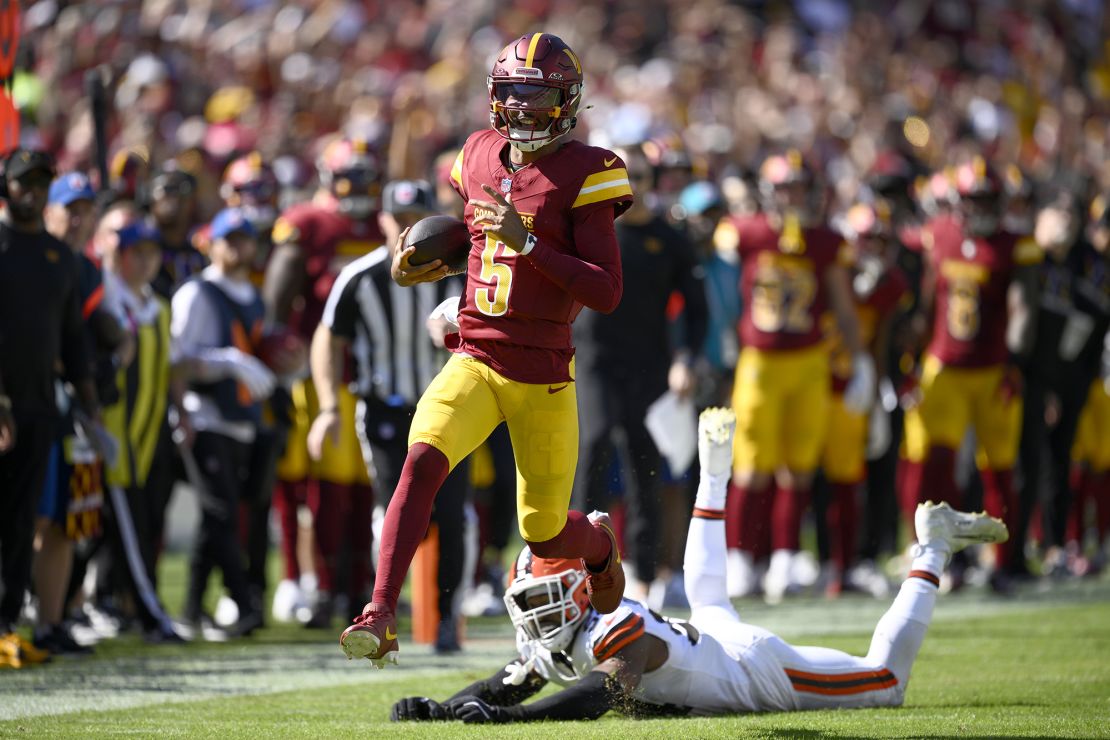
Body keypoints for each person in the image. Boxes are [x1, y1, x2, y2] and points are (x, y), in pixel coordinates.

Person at [388, 408, 1008, 723]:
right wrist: (446, 709)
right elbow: (508, 682)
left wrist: (512, 720)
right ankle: (713, 475)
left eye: (543, 600)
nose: (533, 615)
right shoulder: (574, 632)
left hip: (754, 669)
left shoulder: (612, 635)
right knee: (707, 596)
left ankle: (929, 546)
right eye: (529, 601)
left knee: (886, 685)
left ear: (581, 592)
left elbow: (598, 693)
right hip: (710, 635)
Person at [340, 32, 633, 667]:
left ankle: (601, 547)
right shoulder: (476, 154)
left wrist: (528, 244)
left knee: (544, 530)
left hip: (544, 372)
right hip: (476, 354)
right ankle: (381, 611)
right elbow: (478, 244)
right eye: (512, 95)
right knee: (420, 462)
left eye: (537, 97)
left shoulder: (590, 170)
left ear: (567, 101)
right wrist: (442, 271)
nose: (522, 110)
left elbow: (606, 291)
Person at [310, 179, 469, 649]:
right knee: (393, 512)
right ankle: (384, 612)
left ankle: (445, 618)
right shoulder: (359, 276)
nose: (407, 230)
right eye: (398, 221)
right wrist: (325, 408)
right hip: (385, 408)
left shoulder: (458, 272)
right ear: (381, 221)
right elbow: (328, 338)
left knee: (455, 517)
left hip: (450, 405)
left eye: (414, 220)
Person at [724, 151, 871, 603]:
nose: (793, 197)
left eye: (799, 188)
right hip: (760, 362)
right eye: (786, 188)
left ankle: (785, 556)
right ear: (770, 192)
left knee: (799, 468)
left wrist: (861, 359)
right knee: (751, 466)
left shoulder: (825, 240)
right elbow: (717, 283)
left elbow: (843, 306)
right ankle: (741, 559)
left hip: (808, 361)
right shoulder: (745, 232)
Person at [571, 145, 708, 600]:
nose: (631, 187)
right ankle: (575, 562)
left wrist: (686, 358)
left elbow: (697, 308)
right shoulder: (587, 229)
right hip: (593, 359)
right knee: (593, 443)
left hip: (648, 361)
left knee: (643, 458)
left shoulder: (670, 239)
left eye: (640, 177)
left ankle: (646, 573)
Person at [899, 157, 1041, 591]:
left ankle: (1002, 562)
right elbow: (926, 305)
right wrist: (908, 360)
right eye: (974, 198)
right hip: (945, 366)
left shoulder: (1014, 245)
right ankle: (942, 559)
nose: (980, 207)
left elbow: (1022, 309)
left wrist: (1015, 361)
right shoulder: (939, 235)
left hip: (992, 369)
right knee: (936, 468)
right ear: (958, 201)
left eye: (988, 199)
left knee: (999, 471)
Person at [263, 137, 384, 624]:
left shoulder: (383, 223)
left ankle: (358, 586)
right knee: (325, 488)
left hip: (373, 374)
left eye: (364, 176)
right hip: (322, 376)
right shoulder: (308, 224)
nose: (357, 186)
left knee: (365, 489)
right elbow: (278, 295)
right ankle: (321, 583)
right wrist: (277, 339)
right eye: (347, 175)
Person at [0, 149, 100, 667]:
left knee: (20, 522)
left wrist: (89, 404)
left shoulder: (57, 258)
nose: (32, 192)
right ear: (6, 186)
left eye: (41, 183)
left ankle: (6, 626)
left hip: (38, 409)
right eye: (23, 183)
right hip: (4, 407)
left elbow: (72, 338)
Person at [170, 207, 274, 639]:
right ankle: (245, 601)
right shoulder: (197, 292)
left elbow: (262, 358)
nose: (236, 247)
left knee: (219, 516)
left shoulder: (254, 295)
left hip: (243, 419)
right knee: (221, 511)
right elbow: (177, 360)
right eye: (228, 239)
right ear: (210, 243)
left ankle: (191, 609)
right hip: (204, 415)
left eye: (243, 238)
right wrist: (225, 365)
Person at [98, 218, 183, 643]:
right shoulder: (107, 301)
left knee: (122, 528)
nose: (147, 262)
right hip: (110, 435)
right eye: (139, 253)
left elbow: (167, 369)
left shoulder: (159, 306)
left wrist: (180, 410)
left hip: (148, 440)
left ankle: (107, 604)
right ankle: (152, 615)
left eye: (153, 253)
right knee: (117, 529)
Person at [817, 203, 909, 597]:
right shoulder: (824, 271)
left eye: (880, 239)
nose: (872, 247)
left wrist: (878, 383)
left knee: (852, 479)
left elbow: (883, 338)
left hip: (854, 387)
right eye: (866, 238)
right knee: (811, 480)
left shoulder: (890, 284)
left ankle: (854, 562)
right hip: (816, 384)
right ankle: (820, 562)